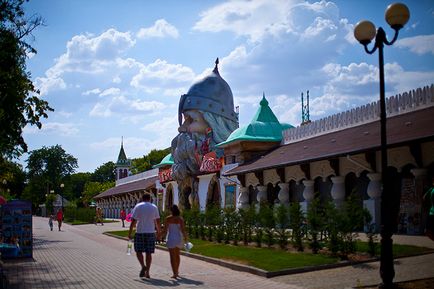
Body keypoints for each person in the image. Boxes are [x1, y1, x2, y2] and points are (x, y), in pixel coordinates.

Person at [128, 193, 161, 279]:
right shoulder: (154, 207)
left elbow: (133, 221)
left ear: (142, 198)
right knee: (149, 253)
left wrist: (130, 232)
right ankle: (148, 273)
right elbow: (157, 221)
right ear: (150, 199)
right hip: (150, 232)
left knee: (138, 251)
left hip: (140, 232)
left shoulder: (138, 206)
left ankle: (143, 266)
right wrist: (158, 233)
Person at [162, 205, 188, 279]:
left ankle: (175, 273)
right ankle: (177, 271)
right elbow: (183, 230)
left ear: (171, 211)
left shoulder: (168, 218)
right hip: (179, 238)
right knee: (177, 255)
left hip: (171, 238)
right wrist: (186, 238)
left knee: (172, 257)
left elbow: (165, 230)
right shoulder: (180, 219)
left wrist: (159, 235)